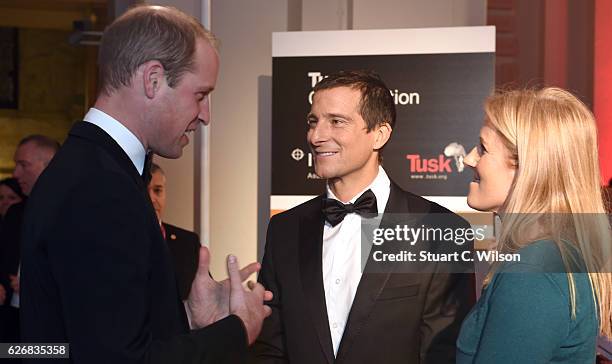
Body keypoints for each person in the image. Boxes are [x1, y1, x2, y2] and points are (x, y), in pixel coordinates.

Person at [20, 5, 271, 364]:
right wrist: (237, 330)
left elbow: (98, 333)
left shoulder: (94, 168)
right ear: (153, 80)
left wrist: (187, 316)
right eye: (200, 95)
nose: (205, 115)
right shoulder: (101, 187)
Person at [249, 70, 474, 363]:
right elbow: (270, 347)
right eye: (313, 122)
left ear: (379, 134)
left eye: (337, 122)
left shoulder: (439, 230)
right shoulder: (284, 229)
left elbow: (443, 354)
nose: (316, 136)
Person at [457, 87, 612, 363]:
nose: (468, 159)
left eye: (483, 148)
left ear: (527, 167)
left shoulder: (532, 271)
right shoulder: (550, 254)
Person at [0, 135, 59, 345]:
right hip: (10, 324)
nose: (16, 174)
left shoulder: (71, 213)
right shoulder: (16, 213)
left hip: (52, 330)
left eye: (23, 165)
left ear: (49, 165)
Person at [147, 162, 200, 300]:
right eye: (144, 191)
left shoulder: (188, 243)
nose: (152, 199)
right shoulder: (117, 241)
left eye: (157, 190)